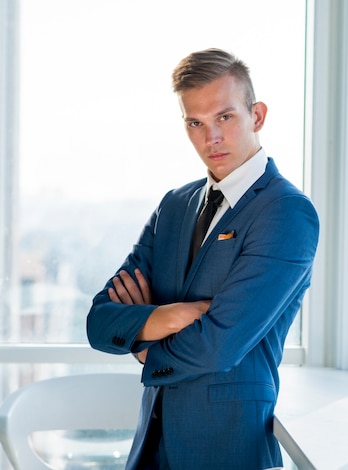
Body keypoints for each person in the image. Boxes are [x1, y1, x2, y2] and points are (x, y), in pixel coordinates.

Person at [86, 48, 319, 469]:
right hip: (149, 450)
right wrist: (175, 315)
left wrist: (143, 345)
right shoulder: (174, 205)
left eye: (224, 118)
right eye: (195, 123)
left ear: (258, 116)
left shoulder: (286, 212)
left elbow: (219, 347)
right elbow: (100, 321)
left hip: (226, 448)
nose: (210, 137)